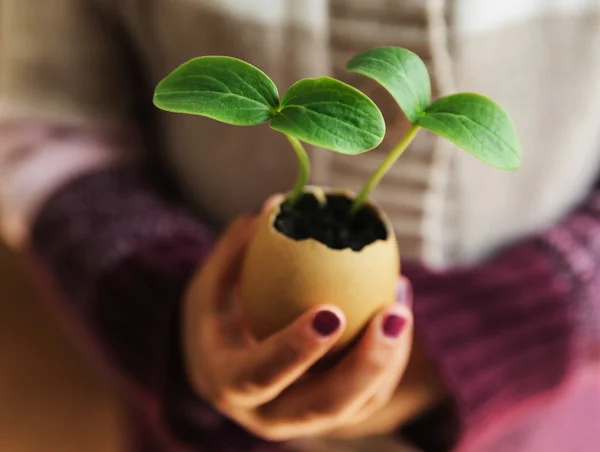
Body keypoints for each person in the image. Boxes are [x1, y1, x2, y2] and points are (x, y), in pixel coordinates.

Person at [0, 1, 599, 451]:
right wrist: (164, 307)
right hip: (194, 411)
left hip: (542, 409)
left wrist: (540, 308)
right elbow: (35, 121)